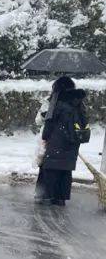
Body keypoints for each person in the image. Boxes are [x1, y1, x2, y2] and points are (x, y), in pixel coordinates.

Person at [35, 76, 89, 206]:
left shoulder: (57, 102)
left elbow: (49, 124)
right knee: (66, 170)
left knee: (50, 168)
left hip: (56, 141)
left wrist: (45, 137)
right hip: (72, 142)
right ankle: (61, 198)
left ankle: (46, 197)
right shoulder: (79, 102)